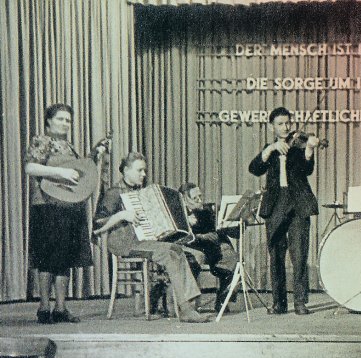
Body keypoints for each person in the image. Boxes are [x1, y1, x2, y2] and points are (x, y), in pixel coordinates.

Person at [94, 152, 210, 323]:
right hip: (124, 242)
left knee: (178, 250)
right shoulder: (114, 193)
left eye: (144, 170)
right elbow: (97, 225)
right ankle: (185, 309)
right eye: (139, 170)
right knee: (170, 252)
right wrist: (121, 215)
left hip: (144, 240)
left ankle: (187, 306)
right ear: (126, 170)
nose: (144, 174)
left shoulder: (144, 193)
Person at [25, 103, 105, 324]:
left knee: (64, 259)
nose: (64, 123)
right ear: (49, 121)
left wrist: (94, 155)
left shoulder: (69, 147)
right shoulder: (41, 141)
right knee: (48, 258)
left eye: (68, 120)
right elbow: (30, 168)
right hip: (47, 206)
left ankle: (60, 308)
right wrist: (60, 171)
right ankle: (44, 307)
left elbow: (79, 173)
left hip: (69, 207)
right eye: (60, 119)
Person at [248, 107, 319, 315]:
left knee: (299, 254)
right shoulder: (269, 149)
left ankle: (299, 301)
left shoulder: (299, 145)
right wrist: (270, 149)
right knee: (276, 254)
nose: (286, 127)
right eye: (280, 124)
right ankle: (279, 303)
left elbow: (307, 170)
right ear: (272, 127)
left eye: (288, 122)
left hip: (297, 203)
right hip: (276, 204)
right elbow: (254, 169)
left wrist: (310, 150)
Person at [178, 182, 239, 312]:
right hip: (192, 248)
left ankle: (222, 301)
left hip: (210, 248)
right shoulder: (178, 213)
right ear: (184, 199)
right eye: (195, 199)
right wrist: (200, 236)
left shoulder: (207, 210)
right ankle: (188, 304)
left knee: (232, 257)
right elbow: (179, 236)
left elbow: (220, 231)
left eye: (200, 196)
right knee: (194, 259)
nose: (200, 201)